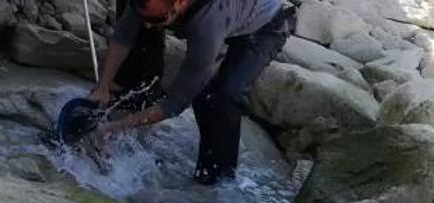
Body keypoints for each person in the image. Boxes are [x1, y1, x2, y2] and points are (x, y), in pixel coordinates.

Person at [89, 0, 295, 185]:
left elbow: (175, 103)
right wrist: (102, 87)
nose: (148, 25)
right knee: (139, 22)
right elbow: (124, 34)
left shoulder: (208, 25)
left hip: (266, 25)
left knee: (218, 98)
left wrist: (113, 128)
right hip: (227, 12)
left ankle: (216, 180)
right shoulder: (152, 5)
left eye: (157, 19)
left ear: (180, 3)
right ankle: (139, 97)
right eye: (145, 18)